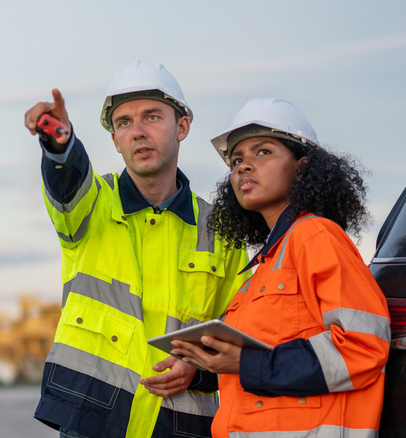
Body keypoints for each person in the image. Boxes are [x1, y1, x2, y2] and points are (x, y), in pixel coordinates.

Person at [23, 60, 250, 438]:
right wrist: (59, 142)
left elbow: (240, 324)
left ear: (182, 127)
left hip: (178, 426)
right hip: (94, 420)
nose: (138, 132)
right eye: (124, 123)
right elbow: (67, 180)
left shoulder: (221, 229)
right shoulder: (92, 205)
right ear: (114, 139)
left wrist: (200, 369)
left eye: (152, 117)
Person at [170, 98, 391, 437]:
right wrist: (201, 368)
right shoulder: (265, 266)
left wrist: (245, 363)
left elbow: (362, 346)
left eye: (263, 152)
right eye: (237, 160)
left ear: (303, 169)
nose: (244, 166)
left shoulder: (315, 236)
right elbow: (268, 356)